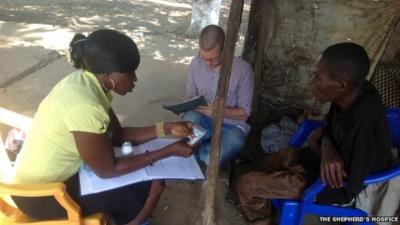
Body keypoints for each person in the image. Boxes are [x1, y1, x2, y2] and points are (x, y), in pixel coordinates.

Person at [11, 29, 195, 225]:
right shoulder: (86, 105)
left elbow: (117, 135)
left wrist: (167, 128)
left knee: (147, 182)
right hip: (40, 196)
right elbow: (107, 171)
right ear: (109, 74)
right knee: (138, 196)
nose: (135, 79)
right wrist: (167, 151)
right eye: (130, 72)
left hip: (62, 177)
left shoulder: (88, 83)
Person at [234, 42, 394, 223]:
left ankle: (263, 219)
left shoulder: (363, 122)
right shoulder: (349, 93)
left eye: (318, 78)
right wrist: (326, 148)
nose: (313, 83)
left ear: (341, 85)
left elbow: (347, 187)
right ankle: (276, 201)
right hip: (317, 163)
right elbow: (328, 129)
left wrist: (317, 151)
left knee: (246, 185)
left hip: (330, 187)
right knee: (273, 160)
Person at [182, 24, 254, 166]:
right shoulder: (196, 64)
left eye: (214, 59)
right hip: (204, 120)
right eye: (204, 58)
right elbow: (189, 96)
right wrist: (190, 102)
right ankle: (200, 144)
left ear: (225, 49)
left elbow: (245, 112)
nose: (208, 63)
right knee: (190, 118)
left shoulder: (243, 69)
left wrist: (221, 111)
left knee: (232, 143)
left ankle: (199, 152)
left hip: (231, 126)